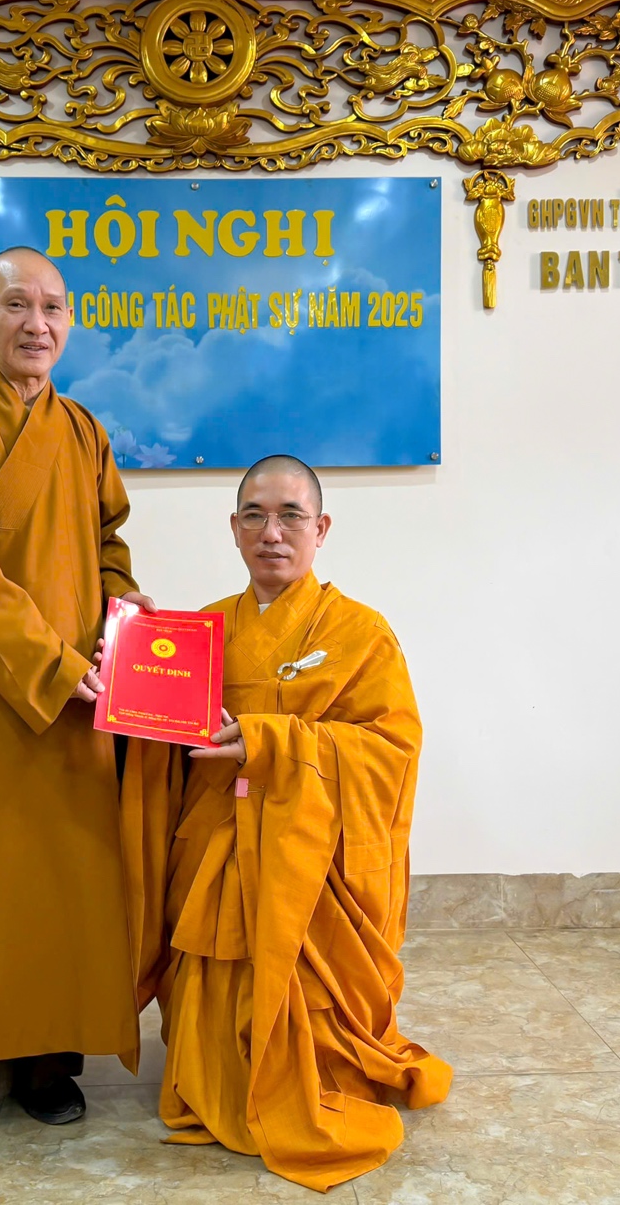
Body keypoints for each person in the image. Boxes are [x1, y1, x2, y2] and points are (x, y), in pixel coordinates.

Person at [119, 454, 452, 1192]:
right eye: (255, 516)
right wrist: (131, 648)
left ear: (320, 528)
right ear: (234, 529)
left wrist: (274, 743)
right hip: (217, 851)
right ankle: (221, 1070)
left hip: (309, 864)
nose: (272, 532)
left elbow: (392, 750)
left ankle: (311, 1068)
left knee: (314, 1012)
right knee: (212, 979)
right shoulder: (201, 630)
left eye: (291, 516)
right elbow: (153, 732)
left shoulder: (362, 633)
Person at [0, 246, 154, 1151]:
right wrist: (46, 663)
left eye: (52, 306)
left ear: (69, 321)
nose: (36, 323)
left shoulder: (83, 431)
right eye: (16, 304)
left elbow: (109, 541)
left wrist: (123, 615)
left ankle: (47, 1062)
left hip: (82, 694)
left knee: (64, 884)